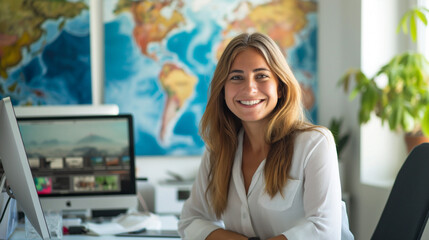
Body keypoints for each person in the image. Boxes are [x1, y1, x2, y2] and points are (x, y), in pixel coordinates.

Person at [178, 32, 348, 240]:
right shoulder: (217, 151)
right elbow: (191, 220)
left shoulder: (314, 143)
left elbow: (324, 230)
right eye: (236, 77)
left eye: (261, 76)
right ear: (223, 90)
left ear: (280, 87)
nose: (249, 88)